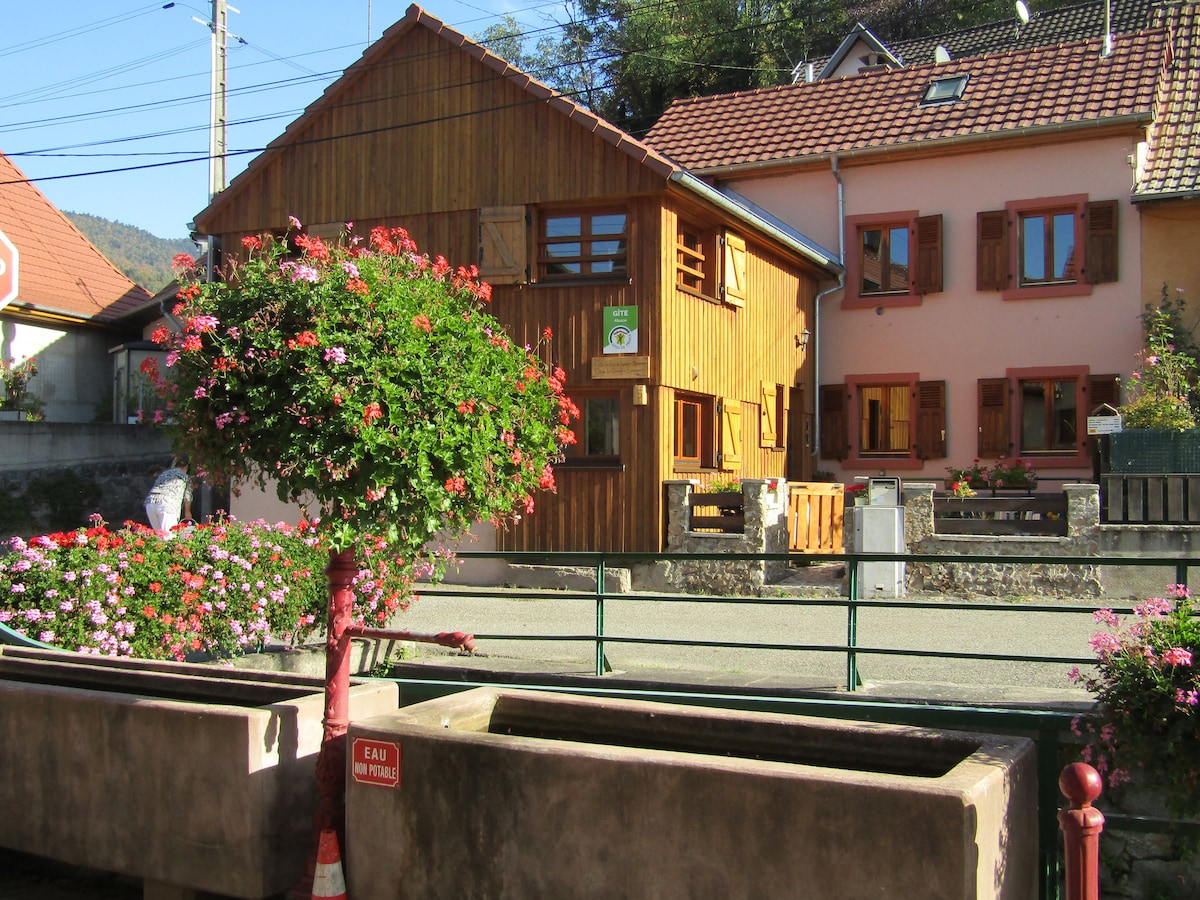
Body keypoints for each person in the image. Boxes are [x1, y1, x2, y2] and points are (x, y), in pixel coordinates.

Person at [144, 457, 193, 536]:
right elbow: (188, 497)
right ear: (186, 467)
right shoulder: (185, 477)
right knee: (169, 537)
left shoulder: (164, 474)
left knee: (160, 537)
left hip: (150, 503)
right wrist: (187, 513)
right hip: (167, 505)